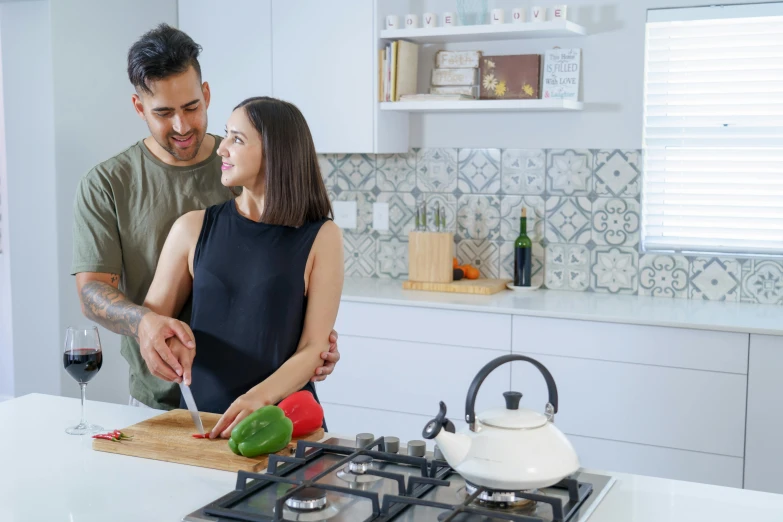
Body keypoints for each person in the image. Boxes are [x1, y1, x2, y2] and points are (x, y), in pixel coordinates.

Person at [71, 23, 341, 410]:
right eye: (164, 113)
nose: (181, 126)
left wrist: (313, 347)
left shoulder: (246, 173)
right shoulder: (107, 184)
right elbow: (92, 290)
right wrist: (145, 323)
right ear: (138, 107)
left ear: (207, 94)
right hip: (163, 394)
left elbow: (286, 289)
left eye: (192, 108)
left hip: (265, 400)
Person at [143, 96, 342, 438]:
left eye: (237, 139)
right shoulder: (191, 228)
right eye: (226, 135)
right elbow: (151, 323)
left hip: (283, 425)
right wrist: (163, 345)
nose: (222, 149)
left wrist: (257, 399)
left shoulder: (323, 237)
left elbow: (314, 348)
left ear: (276, 152)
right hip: (202, 423)